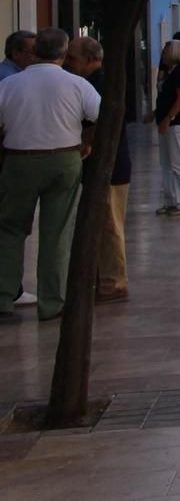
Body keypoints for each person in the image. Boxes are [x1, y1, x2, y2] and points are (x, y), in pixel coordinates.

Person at [0, 28, 100, 321]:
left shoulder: (10, 84)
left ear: (34, 52)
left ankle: (4, 297)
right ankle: (51, 303)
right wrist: (87, 141)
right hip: (65, 158)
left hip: (19, 160)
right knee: (57, 234)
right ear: (63, 53)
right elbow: (101, 114)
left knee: (10, 230)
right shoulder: (77, 84)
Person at [64, 37, 130, 303]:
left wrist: (85, 143)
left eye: (73, 58)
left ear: (91, 59)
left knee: (110, 224)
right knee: (103, 223)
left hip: (110, 164)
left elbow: (104, 119)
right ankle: (103, 277)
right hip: (107, 163)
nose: (68, 64)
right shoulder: (94, 81)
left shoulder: (98, 83)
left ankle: (114, 282)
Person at [0, 30, 39, 309]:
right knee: (12, 226)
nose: (36, 57)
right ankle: (10, 290)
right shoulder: (9, 80)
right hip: (10, 159)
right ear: (16, 53)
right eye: (31, 52)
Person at [147, 39, 180, 216]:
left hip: (178, 123)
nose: (163, 54)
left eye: (166, 50)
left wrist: (169, 117)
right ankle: (171, 200)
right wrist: (155, 114)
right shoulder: (171, 71)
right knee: (167, 163)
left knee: (178, 163)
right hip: (167, 122)